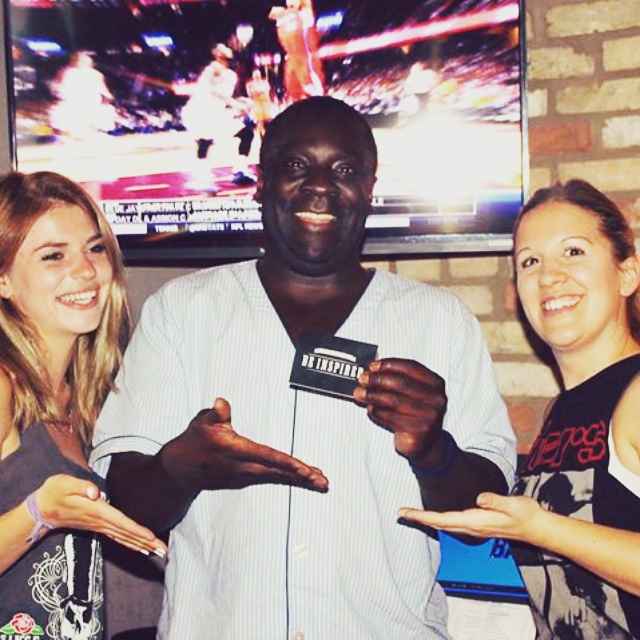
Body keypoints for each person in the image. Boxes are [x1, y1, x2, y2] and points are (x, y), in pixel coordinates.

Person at [91, 96, 516, 639]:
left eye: (345, 170)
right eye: (296, 165)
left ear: (370, 188)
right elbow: (125, 506)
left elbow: (485, 515)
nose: (320, 185)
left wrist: (435, 452)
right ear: (261, 182)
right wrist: (181, 466)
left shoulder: (440, 320)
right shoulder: (181, 311)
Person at [399, 179, 640, 639]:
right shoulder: (563, 411)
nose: (548, 276)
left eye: (573, 252)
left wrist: (539, 528)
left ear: (627, 273)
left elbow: (548, 532)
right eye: (530, 261)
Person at [0, 171, 167, 640]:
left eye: (94, 249)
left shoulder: (85, 399)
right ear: (4, 280)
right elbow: (43, 514)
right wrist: (39, 514)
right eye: (53, 256)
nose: (86, 270)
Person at [181, 44, 255, 191]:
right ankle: (202, 178)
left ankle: (240, 170)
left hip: (215, 114)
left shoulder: (231, 75)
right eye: (220, 49)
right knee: (204, 141)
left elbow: (226, 95)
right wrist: (233, 103)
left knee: (246, 133)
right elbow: (212, 90)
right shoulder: (212, 68)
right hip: (199, 111)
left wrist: (243, 102)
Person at [49, 52, 117, 141]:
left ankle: (89, 135)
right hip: (71, 103)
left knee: (103, 112)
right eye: (81, 60)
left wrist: (108, 97)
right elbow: (56, 86)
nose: (83, 63)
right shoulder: (67, 72)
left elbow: (102, 89)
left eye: (85, 61)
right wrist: (58, 91)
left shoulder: (95, 74)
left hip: (91, 104)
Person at [269, 0, 325, 103]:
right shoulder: (281, 15)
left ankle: (321, 107)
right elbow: (268, 12)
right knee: (294, 92)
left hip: (304, 58)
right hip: (291, 59)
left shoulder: (304, 13)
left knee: (312, 89)